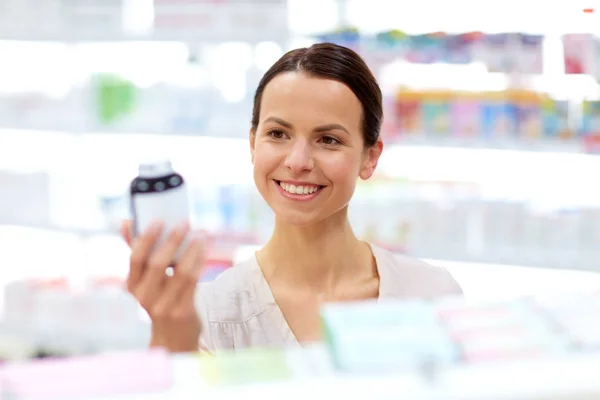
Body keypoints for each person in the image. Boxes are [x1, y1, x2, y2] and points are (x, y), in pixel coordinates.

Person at [121, 43, 462, 353]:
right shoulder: (209, 313)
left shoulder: (430, 294)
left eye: (328, 139)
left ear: (370, 157)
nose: (298, 161)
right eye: (278, 134)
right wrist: (173, 340)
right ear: (253, 144)